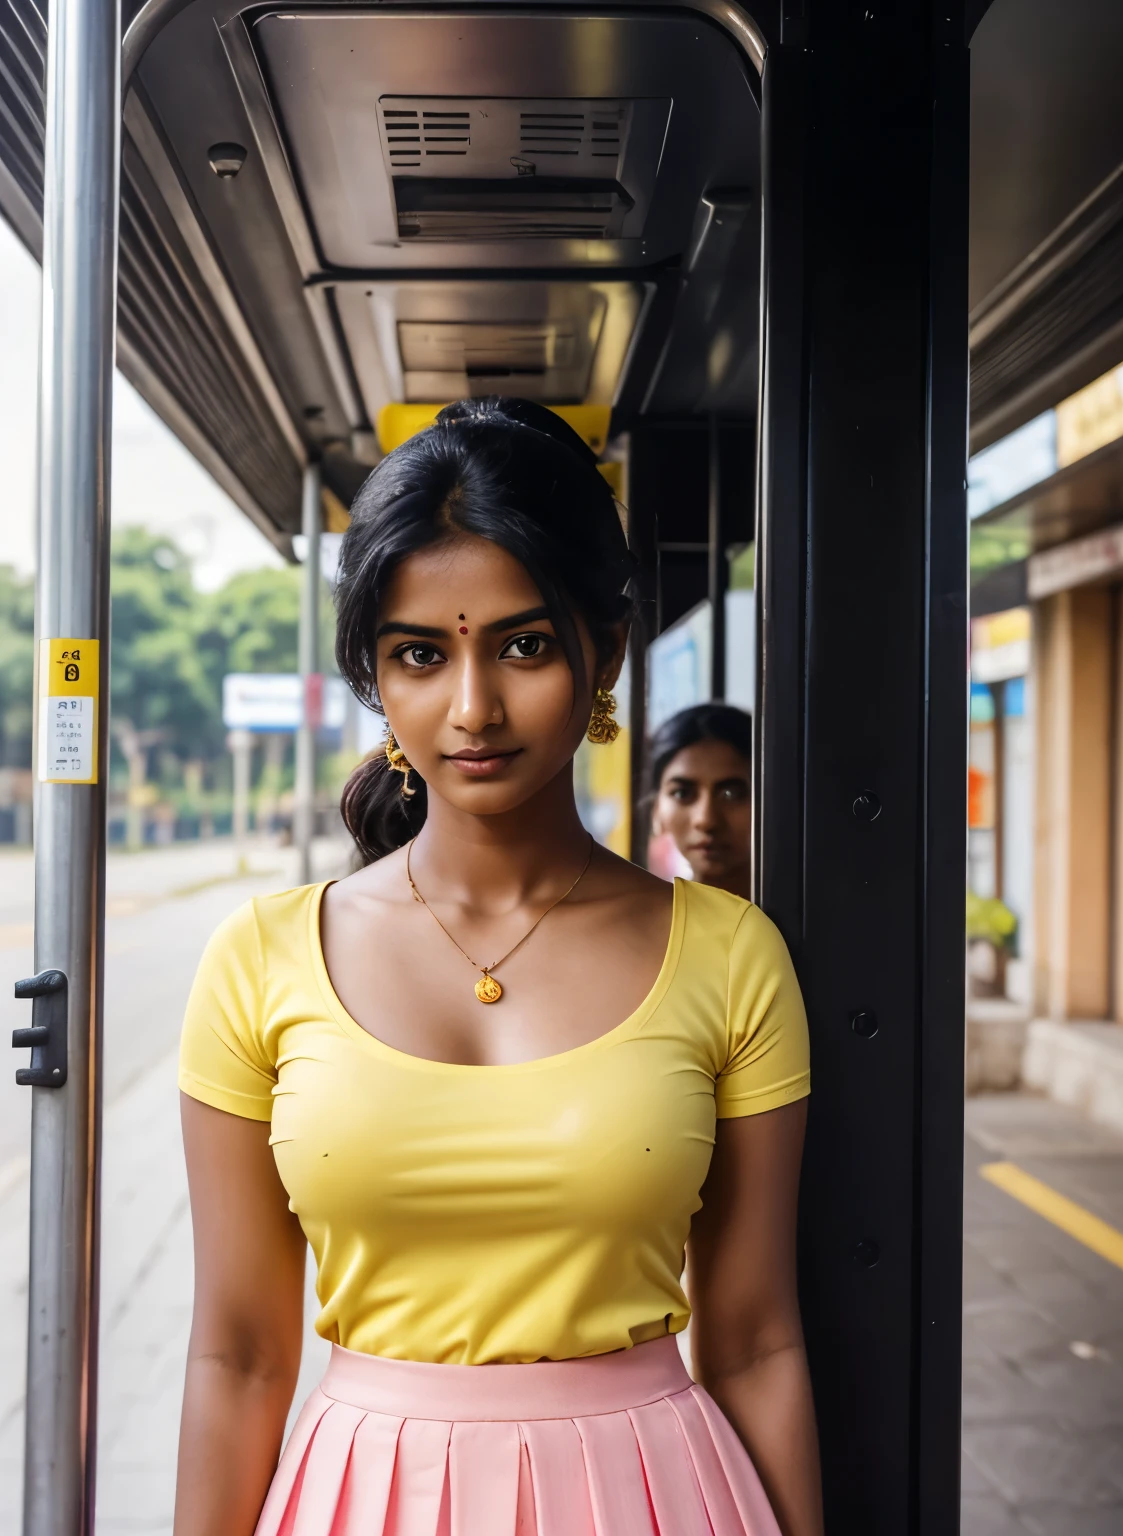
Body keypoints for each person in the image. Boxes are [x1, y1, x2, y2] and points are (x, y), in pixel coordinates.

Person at [175, 398, 821, 1536]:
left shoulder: (730, 956)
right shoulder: (260, 960)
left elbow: (759, 1337)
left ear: (605, 648)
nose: (472, 708)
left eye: (523, 644)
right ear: (378, 680)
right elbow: (237, 1356)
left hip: (657, 1500)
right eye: (420, 655)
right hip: (360, 1503)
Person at [649, 704, 753, 899]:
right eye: (682, 794)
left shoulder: (809, 922)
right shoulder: (642, 921)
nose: (706, 820)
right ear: (657, 810)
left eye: (731, 794)